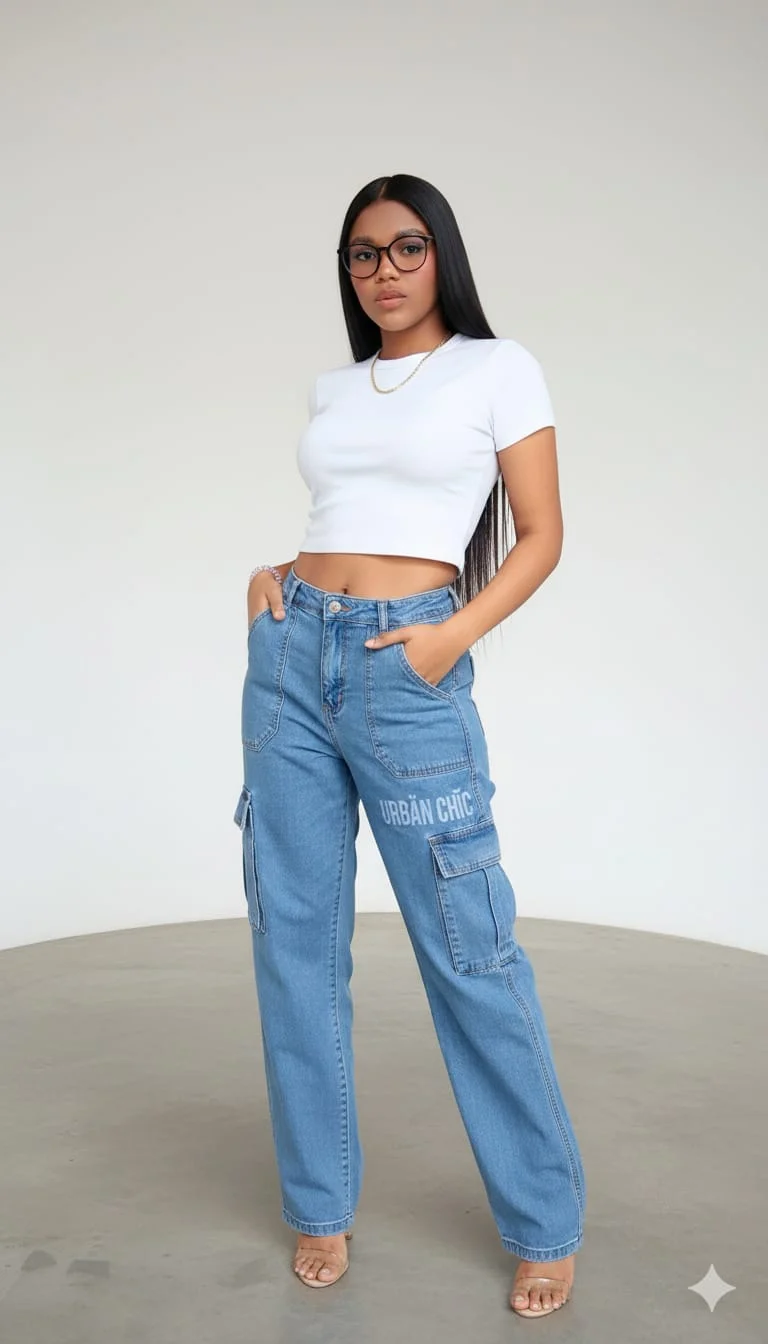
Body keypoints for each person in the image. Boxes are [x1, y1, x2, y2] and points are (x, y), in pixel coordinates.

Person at [234, 173, 586, 1319]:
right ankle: (318, 1205)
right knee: (296, 943)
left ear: (442, 255)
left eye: (405, 248)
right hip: (292, 662)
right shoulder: (336, 387)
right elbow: (341, 519)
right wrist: (272, 578)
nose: (382, 272)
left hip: (408, 668)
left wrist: (450, 639)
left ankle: (544, 1221)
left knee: (469, 948)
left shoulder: (498, 367)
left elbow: (541, 536)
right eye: (362, 255)